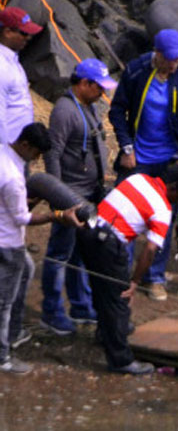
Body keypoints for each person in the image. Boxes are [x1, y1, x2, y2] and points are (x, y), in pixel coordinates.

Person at [108, 28, 178, 301]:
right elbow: (116, 110)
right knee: (124, 214)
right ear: (157, 54)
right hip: (137, 157)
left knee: (164, 219)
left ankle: (155, 276)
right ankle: (119, 274)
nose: (174, 66)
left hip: (170, 159)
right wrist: (127, 147)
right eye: (169, 60)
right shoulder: (137, 71)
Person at [78, 164, 178, 375]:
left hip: (89, 231)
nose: (177, 201)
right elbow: (150, 250)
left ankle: (105, 332)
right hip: (110, 244)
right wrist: (135, 282)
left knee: (101, 286)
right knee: (120, 299)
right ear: (173, 187)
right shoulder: (162, 209)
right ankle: (120, 359)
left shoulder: (138, 178)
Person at [39, 59, 117, 335]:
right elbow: (53, 153)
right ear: (84, 84)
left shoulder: (88, 106)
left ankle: (81, 306)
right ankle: (51, 310)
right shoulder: (64, 111)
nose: (103, 93)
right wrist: (58, 194)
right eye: (99, 87)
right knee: (59, 254)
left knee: (79, 255)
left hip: (88, 193)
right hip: (71, 194)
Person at [0, 123, 82, 374]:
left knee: (27, 267)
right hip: (7, 243)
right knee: (4, 301)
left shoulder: (3, 155)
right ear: (25, 145)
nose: (35, 161)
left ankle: (15, 331)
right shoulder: (14, 178)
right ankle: (3, 356)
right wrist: (56, 216)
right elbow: (23, 219)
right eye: (35, 154)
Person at [0, 7, 42, 144]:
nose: (29, 38)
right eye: (24, 33)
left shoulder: (13, 61)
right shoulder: (2, 66)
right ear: (7, 32)